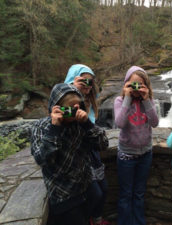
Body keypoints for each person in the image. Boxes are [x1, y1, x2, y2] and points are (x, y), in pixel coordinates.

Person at [31, 83, 107, 225]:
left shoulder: (81, 123)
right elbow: (43, 160)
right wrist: (55, 129)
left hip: (85, 185)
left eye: (76, 107)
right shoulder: (41, 127)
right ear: (56, 107)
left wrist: (87, 124)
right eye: (68, 109)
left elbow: (103, 144)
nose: (72, 112)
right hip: (63, 193)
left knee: (91, 207)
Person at [64, 64, 110, 225]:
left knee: (103, 190)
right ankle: (89, 219)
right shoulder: (67, 101)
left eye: (90, 82)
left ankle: (96, 219)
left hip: (91, 153)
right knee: (94, 194)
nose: (87, 85)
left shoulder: (90, 104)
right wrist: (71, 88)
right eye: (83, 80)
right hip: (77, 157)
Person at [114, 66, 159, 225]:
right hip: (126, 156)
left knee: (139, 193)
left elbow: (154, 122)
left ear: (146, 86)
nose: (136, 88)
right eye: (132, 85)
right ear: (126, 85)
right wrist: (127, 98)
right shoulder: (120, 101)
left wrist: (146, 100)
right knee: (126, 194)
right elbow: (119, 123)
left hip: (145, 154)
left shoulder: (150, 101)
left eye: (140, 85)